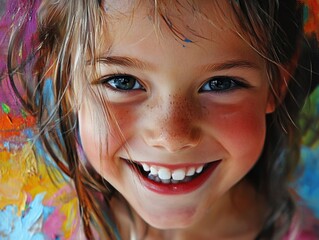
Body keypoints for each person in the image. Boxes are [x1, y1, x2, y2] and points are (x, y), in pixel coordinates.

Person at [4, 0, 319, 239]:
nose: (172, 136)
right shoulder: (31, 228)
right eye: (123, 82)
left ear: (278, 80)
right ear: (67, 81)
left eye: (221, 83)